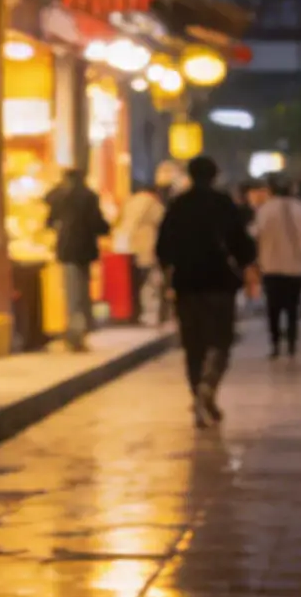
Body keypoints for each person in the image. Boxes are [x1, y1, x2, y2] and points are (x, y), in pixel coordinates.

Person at [155, 155, 260, 426]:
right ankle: (209, 386)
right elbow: (242, 244)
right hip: (219, 283)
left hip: (187, 284)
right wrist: (247, 264)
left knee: (193, 345)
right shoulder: (224, 203)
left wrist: (170, 271)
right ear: (215, 175)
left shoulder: (178, 205)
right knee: (221, 340)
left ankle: (197, 394)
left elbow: (163, 247)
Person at [248, 177, 301, 358]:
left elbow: (255, 233)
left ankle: (275, 343)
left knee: (273, 308)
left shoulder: (266, 209)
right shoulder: (300, 208)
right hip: (295, 267)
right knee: (293, 307)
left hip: (271, 266)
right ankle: (292, 342)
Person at [44, 167, 110, 352]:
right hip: (85, 250)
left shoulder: (60, 196)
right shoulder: (89, 196)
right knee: (81, 293)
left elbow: (49, 218)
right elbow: (99, 224)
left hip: (67, 250)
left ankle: (74, 333)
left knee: (72, 294)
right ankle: (80, 333)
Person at [117, 166, 170, 327]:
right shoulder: (152, 203)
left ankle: (134, 314)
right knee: (151, 282)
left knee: (134, 283)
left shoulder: (129, 202)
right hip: (148, 246)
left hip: (127, 247)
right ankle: (151, 314)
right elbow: (164, 221)